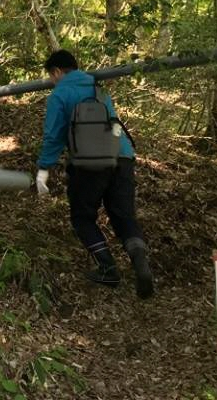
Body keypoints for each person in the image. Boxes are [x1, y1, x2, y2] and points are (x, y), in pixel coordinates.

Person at [36, 50, 154, 298]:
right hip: (121, 157)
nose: (51, 81)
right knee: (124, 216)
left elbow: (53, 135)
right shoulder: (98, 87)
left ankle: (108, 268)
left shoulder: (60, 94)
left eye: (51, 76)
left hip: (88, 163)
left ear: (57, 71)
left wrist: (44, 169)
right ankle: (140, 263)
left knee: (82, 216)